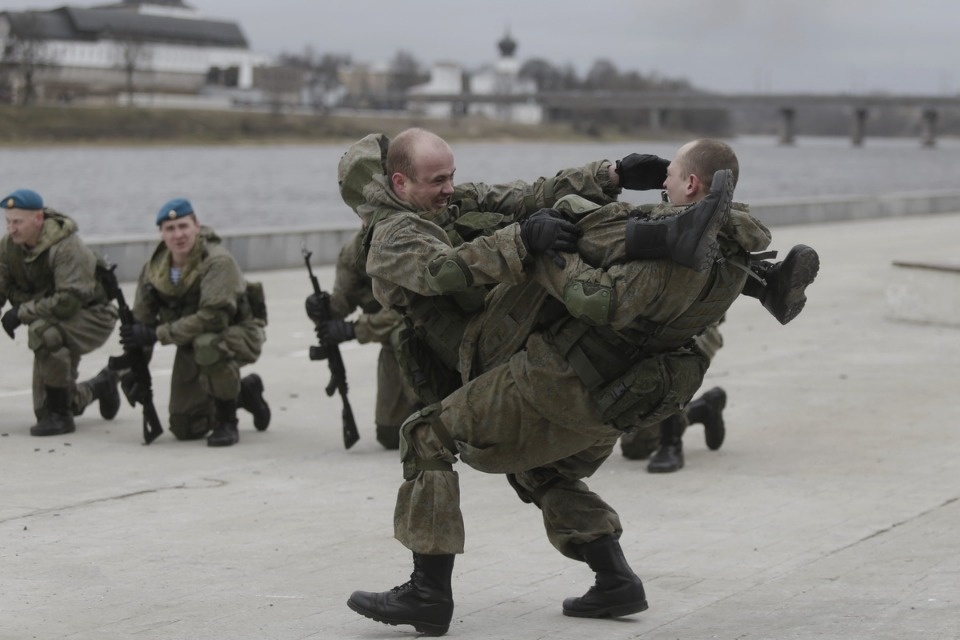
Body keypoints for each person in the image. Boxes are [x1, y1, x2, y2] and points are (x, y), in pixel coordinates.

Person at [342, 131, 771, 635]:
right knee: (443, 440)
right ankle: (446, 589)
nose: (450, 188)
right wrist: (522, 240)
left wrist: (610, 174)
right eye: (438, 180)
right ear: (398, 183)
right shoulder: (392, 236)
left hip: (527, 351)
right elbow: (443, 269)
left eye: (451, 176)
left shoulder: (448, 202)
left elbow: (524, 194)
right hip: (488, 346)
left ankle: (598, 582)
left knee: (527, 466)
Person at [117, 197, 271, 447]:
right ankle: (245, 392)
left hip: (237, 334)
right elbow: (141, 325)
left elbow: (214, 318)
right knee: (186, 427)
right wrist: (132, 370)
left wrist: (158, 334)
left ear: (197, 226)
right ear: (161, 233)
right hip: (190, 340)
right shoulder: (153, 271)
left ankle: (227, 420)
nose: (178, 234)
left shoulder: (217, 261)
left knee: (207, 344)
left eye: (183, 226)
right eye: (170, 228)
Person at [0, 188, 121, 436]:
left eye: (18, 222)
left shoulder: (66, 246)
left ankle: (61, 418)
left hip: (92, 316)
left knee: (43, 332)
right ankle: (102, 385)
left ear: (38, 219)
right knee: (46, 408)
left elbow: (68, 302)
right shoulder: (9, 247)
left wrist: (21, 312)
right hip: (53, 317)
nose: (11, 229)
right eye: (8, 221)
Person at [305, 228, 422, 449]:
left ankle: (428, 409)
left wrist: (354, 330)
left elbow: (408, 310)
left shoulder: (405, 239)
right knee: (389, 435)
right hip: (391, 343)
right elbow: (342, 302)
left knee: (402, 333)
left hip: (423, 333)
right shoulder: (354, 252)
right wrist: (320, 307)